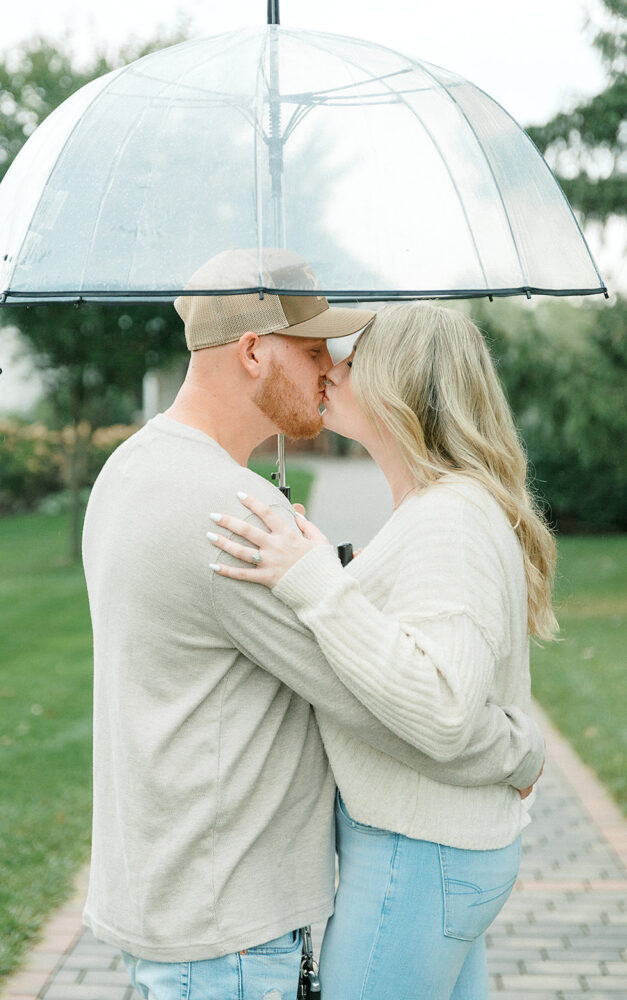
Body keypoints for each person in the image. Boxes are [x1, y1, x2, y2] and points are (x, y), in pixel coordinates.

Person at [82, 251, 544, 1000]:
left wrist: (332, 568)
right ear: (253, 351)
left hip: (173, 892)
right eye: (309, 348)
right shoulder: (230, 512)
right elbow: (382, 702)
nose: (328, 366)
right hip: (228, 915)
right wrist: (517, 752)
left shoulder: (135, 467)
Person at [209, 301, 556, 1000]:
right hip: (431, 848)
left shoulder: (448, 520)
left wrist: (313, 585)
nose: (329, 370)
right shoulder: (439, 507)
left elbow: (443, 708)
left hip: (417, 853)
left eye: (351, 360)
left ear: (399, 387)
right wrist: (336, 572)